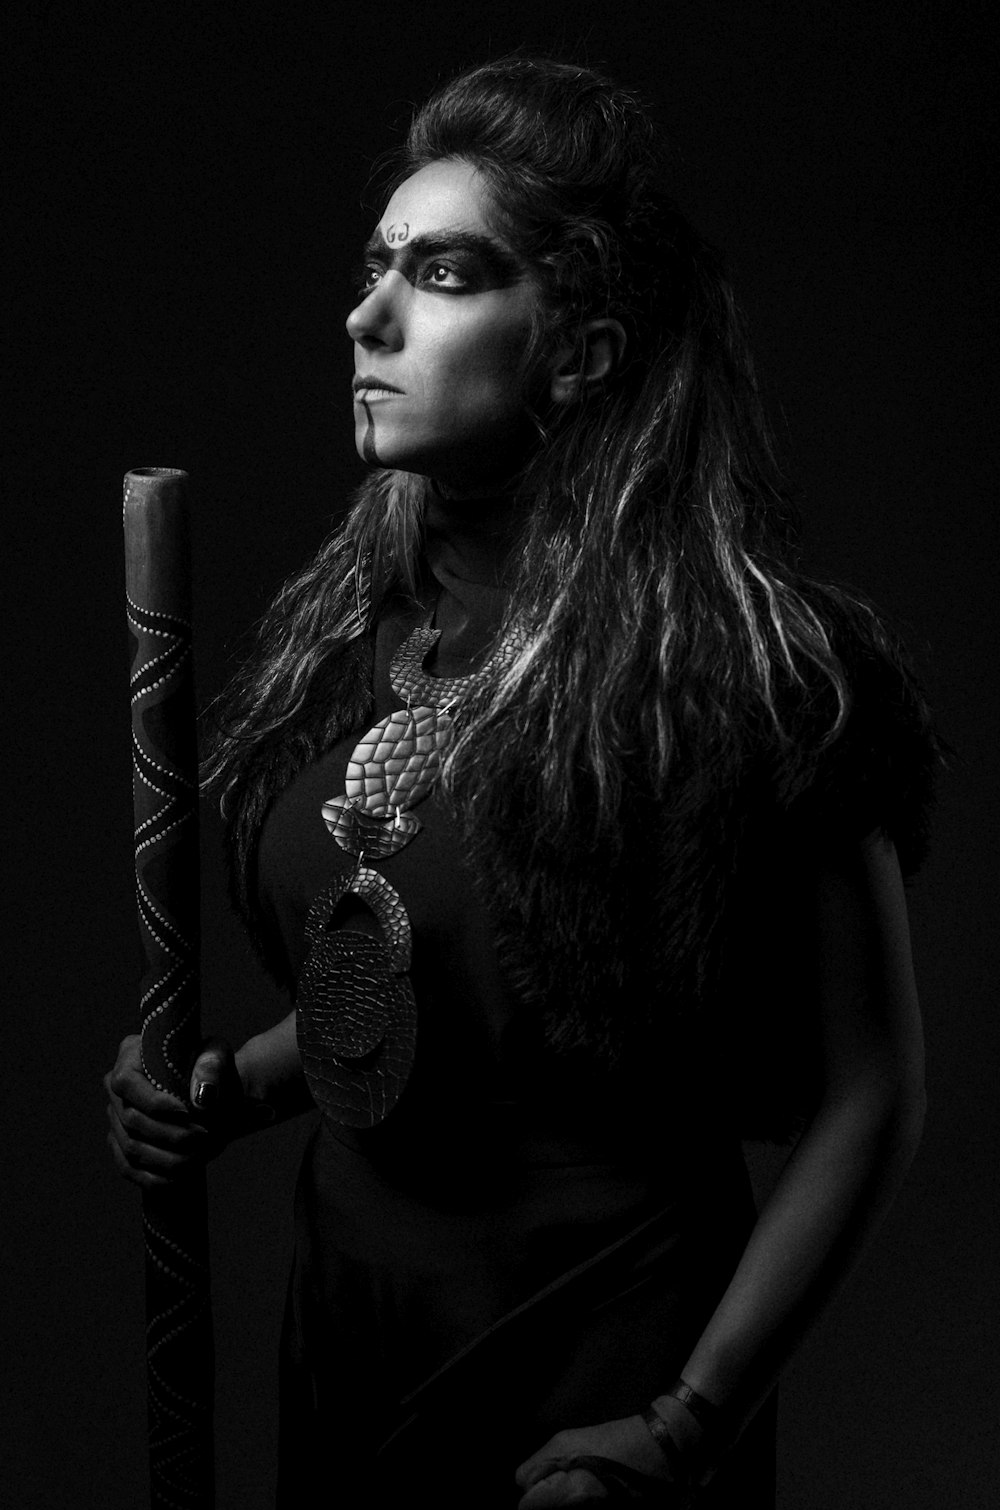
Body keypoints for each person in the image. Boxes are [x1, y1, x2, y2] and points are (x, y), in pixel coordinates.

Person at [106, 57, 937, 1509]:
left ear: (583, 350)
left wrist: (691, 1423)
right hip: (353, 1334)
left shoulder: (754, 671)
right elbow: (446, 986)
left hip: (597, 1375)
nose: (366, 317)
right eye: (375, 269)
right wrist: (228, 1085)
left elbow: (871, 1088)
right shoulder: (357, 643)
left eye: (440, 273)